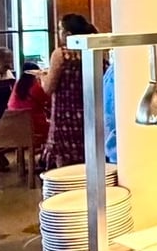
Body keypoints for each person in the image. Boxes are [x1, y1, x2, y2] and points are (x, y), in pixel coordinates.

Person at [43, 14, 97, 168]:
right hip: (90, 112)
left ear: (67, 34)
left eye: (59, 29)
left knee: (65, 162)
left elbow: (48, 88)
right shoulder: (94, 50)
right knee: (90, 157)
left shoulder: (61, 54)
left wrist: (42, 77)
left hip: (65, 115)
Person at [7, 62, 51, 148]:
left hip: (14, 126)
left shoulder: (17, 85)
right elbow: (48, 101)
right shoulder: (35, 87)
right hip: (32, 126)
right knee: (55, 128)